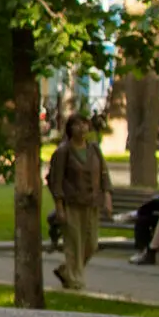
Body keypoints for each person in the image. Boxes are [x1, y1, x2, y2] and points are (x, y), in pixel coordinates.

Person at [49, 113, 113, 291]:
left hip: (92, 203)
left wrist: (107, 196)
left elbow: (104, 174)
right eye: (77, 125)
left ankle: (66, 270)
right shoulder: (63, 151)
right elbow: (56, 180)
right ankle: (75, 281)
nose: (82, 128)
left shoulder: (94, 149)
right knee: (74, 244)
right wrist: (59, 206)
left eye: (84, 124)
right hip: (72, 204)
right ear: (70, 129)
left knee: (91, 244)